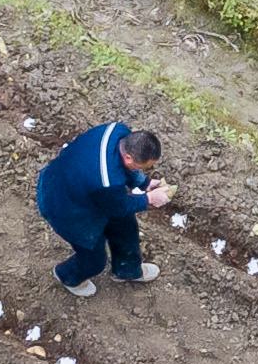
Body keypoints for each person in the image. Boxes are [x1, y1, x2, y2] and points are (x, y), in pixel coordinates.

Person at [35, 120, 168, 295]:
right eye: (143, 167)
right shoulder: (107, 182)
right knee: (94, 259)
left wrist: (144, 182)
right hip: (63, 205)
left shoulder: (119, 131)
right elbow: (118, 207)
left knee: (125, 227)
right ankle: (67, 276)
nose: (144, 169)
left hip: (80, 183)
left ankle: (127, 270)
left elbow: (120, 183)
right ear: (128, 157)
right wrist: (148, 198)